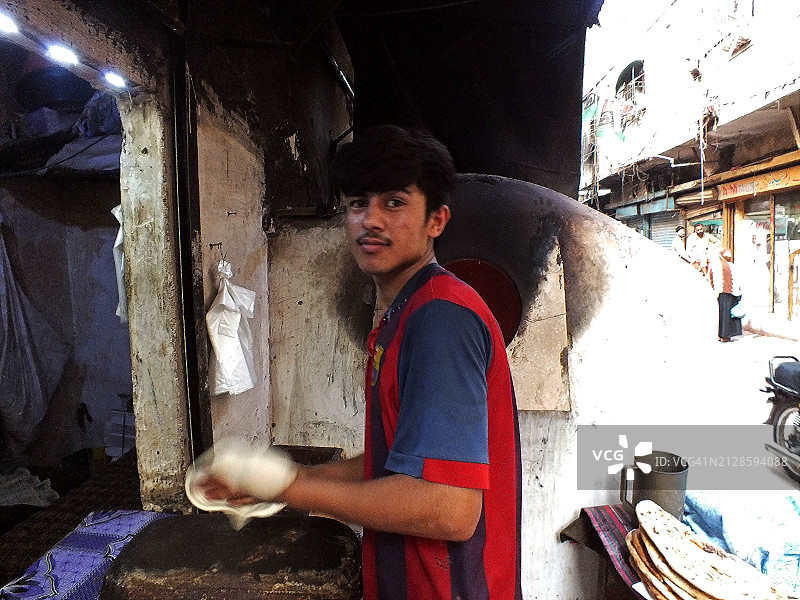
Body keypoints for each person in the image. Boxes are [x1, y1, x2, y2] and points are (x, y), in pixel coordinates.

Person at [196, 125, 523, 600]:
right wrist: (281, 479)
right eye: (356, 203)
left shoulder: (440, 319)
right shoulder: (408, 312)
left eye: (394, 202)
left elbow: (448, 508)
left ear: (437, 220)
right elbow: (397, 465)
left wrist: (291, 487)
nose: (370, 219)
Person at [708, 247, 742, 342]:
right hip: (732, 293)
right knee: (728, 315)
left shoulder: (716, 265)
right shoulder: (732, 266)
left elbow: (711, 277)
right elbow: (737, 280)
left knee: (721, 314)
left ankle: (721, 334)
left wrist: (713, 288)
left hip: (720, 292)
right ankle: (727, 335)